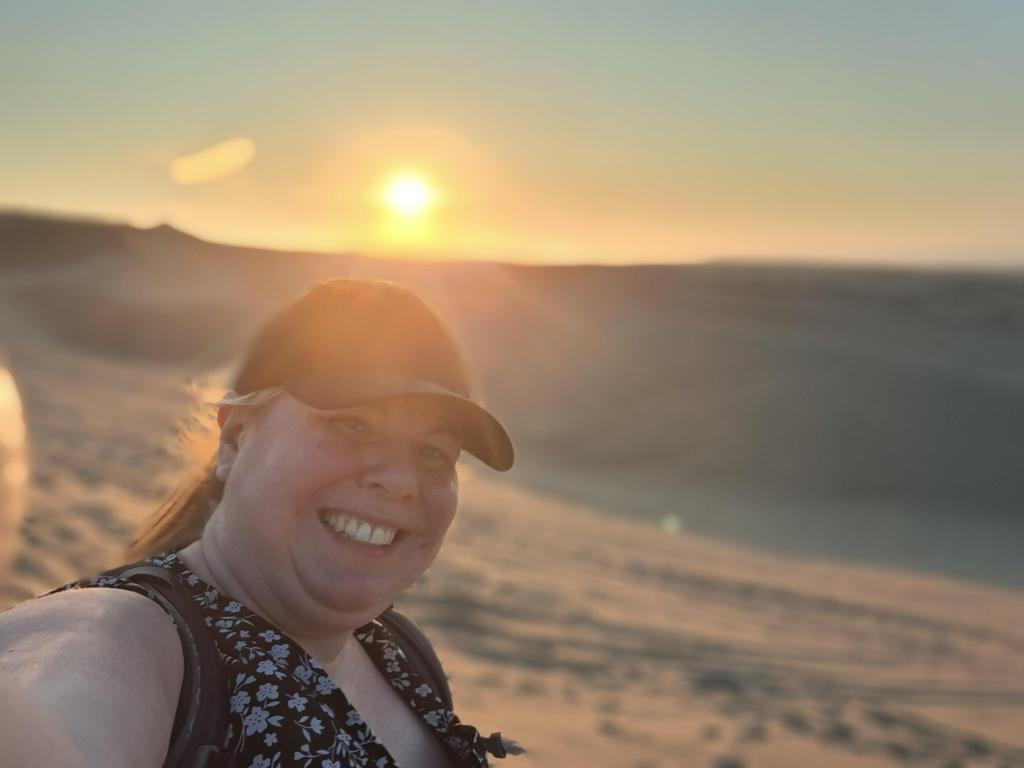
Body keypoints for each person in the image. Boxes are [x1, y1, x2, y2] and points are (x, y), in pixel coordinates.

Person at [0, 278, 521, 768]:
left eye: (433, 453)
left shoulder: (401, 649)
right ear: (235, 439)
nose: (401, 480)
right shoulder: (127, 640)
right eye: (355, 425)